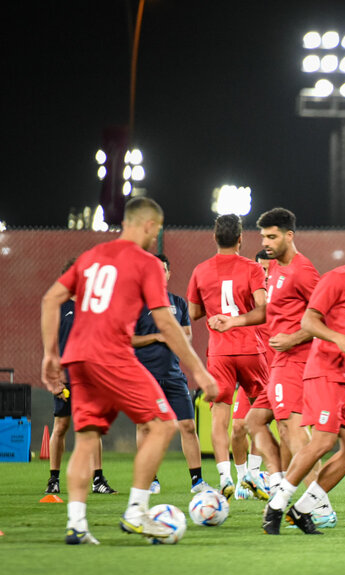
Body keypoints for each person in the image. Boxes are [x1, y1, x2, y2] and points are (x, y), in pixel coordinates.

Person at [40, 196, 218, 545]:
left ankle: (77, 524)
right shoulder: (145, 262)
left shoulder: (90, 257)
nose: (156, 239)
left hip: (77, 357)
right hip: (112, 353)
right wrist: (200, 370)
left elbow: (50, 300)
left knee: (87, 439)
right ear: (149, 225)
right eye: (158, 232)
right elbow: (166, 321)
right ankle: (137, 513)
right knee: (165, 425)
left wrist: (49, 355)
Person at [263, 225, 345, 533]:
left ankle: (303, 508)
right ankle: (276, 506)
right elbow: (309, 320)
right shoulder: (336, 279)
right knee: (324, 439)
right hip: (326, 372)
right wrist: (337, 339)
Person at [247, 207, 337, 528]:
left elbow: (323, 316)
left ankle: (318, 505)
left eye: (272, 236)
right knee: (255, 421)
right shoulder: (274, 269)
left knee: (294, 433)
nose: (266, 242)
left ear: (289, 235)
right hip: (278, 363)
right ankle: (278, 485)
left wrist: (293, 339)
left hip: (296, 361)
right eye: (263, 237)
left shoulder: (302, 271)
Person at [187, 214, 273, 500]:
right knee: (262, 413)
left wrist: (217, 315)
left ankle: (225, 477)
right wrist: (237, 318)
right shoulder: (252, 268)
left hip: (219, 352)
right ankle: (254, 473)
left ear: (214, 237)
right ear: (240, 238)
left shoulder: (200, 270)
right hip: (251, 350)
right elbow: (263, 310)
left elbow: (194, 313)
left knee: (219, 417)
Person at [132, 253, 210, 495]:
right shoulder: (135, 305)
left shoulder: (178, 303)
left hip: (174, 375)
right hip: (145, 375)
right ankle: (151, 479)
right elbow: (128, 338)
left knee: (188, 425)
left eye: (163, 270)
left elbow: (187, 335)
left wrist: (173, 335)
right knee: (146, 428)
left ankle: (197, 481)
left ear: (167, 274)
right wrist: (157, 336)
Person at [45, 257, 117, 496]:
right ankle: (53, 480)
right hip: (65, 378)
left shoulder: (95, 307)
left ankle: (98, 480)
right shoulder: (59, 308)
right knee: (61, 425)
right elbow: (51, 347)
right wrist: (56, 378)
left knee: (93, 428)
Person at [230, 248, 279, 498]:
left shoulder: (286, 298)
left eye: (269, 270)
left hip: (278, 375)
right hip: (251, 371)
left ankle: (258, 475)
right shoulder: (249, 298)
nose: (265, 275)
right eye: (261, 270)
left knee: (266, 426)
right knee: (238, 427)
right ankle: (243, 479)